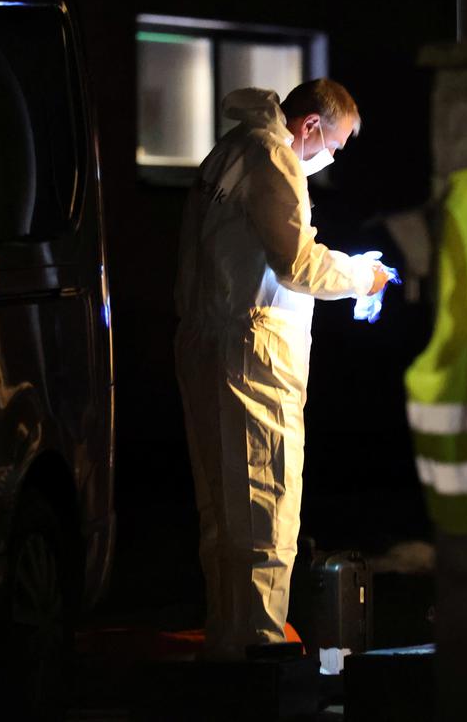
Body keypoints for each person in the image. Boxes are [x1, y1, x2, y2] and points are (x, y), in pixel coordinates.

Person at [174, 79, 391, 659]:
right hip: (256, 351)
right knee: (266, 510)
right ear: (311, 126)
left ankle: (228, 651)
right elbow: (296, 262)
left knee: (223, 515)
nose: (331, 158)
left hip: (209, 343)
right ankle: (260, 658)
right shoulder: (272, 155)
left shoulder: (230, 150)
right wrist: (360, 277)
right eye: (335, 144)